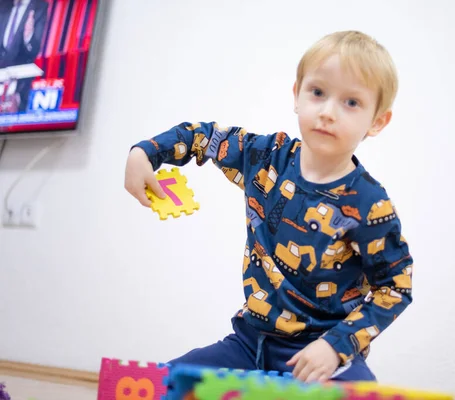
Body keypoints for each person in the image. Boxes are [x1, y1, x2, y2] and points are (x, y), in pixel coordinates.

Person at [124, 30, 414, 383]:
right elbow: (201, 136)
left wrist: (335, 346)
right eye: (318, 92)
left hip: (320, 356)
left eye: (351, 102)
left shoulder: (369, 204)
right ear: (297, 95)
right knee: (157, 385)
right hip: (249, 343)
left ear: (377, 121)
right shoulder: (266, 157)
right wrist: (145, 153)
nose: (327, 112)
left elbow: (395, 287)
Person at [0, 0, 49, 112]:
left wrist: (28, 35)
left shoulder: (39, 7)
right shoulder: (3, 4)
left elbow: (34, 50)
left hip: (20, 84)